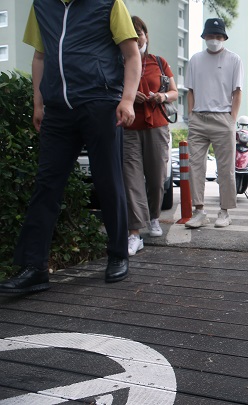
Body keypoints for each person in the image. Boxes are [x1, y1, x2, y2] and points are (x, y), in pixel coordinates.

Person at [0, 0, 140, 294]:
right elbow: (40, 57)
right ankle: (34, 268)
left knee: (108, 180)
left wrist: (127, 99)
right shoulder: (42, 6)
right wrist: (38, 102)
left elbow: (131, 53)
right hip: (57, 108)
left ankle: (117, 254)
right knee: (46, 185)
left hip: (99, 102)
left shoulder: (109, 4)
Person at [123, 16, 178, 256]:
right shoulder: (120, 63)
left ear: (146, 35)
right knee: (131, 180)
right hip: (129, 127)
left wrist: (162, 96)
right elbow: (113, 90)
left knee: (157, 179)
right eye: (131, 35)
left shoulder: (159, 62)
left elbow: (175, 92)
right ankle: (134, 233)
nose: (137, 38)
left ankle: (154, 218)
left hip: (156, 126)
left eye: (140, 33)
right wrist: (129, 95)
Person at [184, 18, 243, 229]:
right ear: (204, 37)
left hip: (223, 118)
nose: (214, 40)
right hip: (198, 118)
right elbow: (190, 91)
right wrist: (191, 116)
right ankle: (199, 211)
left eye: (218, 37)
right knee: (195, 166)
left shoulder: (234, 59)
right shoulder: (195, 59)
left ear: (224, 38)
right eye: (211, 36)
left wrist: (231, 119)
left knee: (225, 168)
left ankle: (224, 211)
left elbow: (237, 92)